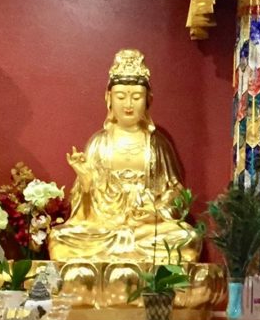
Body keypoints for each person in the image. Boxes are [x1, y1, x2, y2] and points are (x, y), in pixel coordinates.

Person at [47, 49, 201, 263]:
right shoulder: (98, 143)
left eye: (136, 97)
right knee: (60, 239)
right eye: (121, 97)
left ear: (148, 100)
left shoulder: (157, 145)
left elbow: (176, 193)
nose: (128, 104)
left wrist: (155, 210)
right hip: (104, 228)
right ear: (109, 99)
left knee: (187, 239)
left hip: (147, 230)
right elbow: (83, 213)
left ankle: (116, 259)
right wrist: (86, 183)